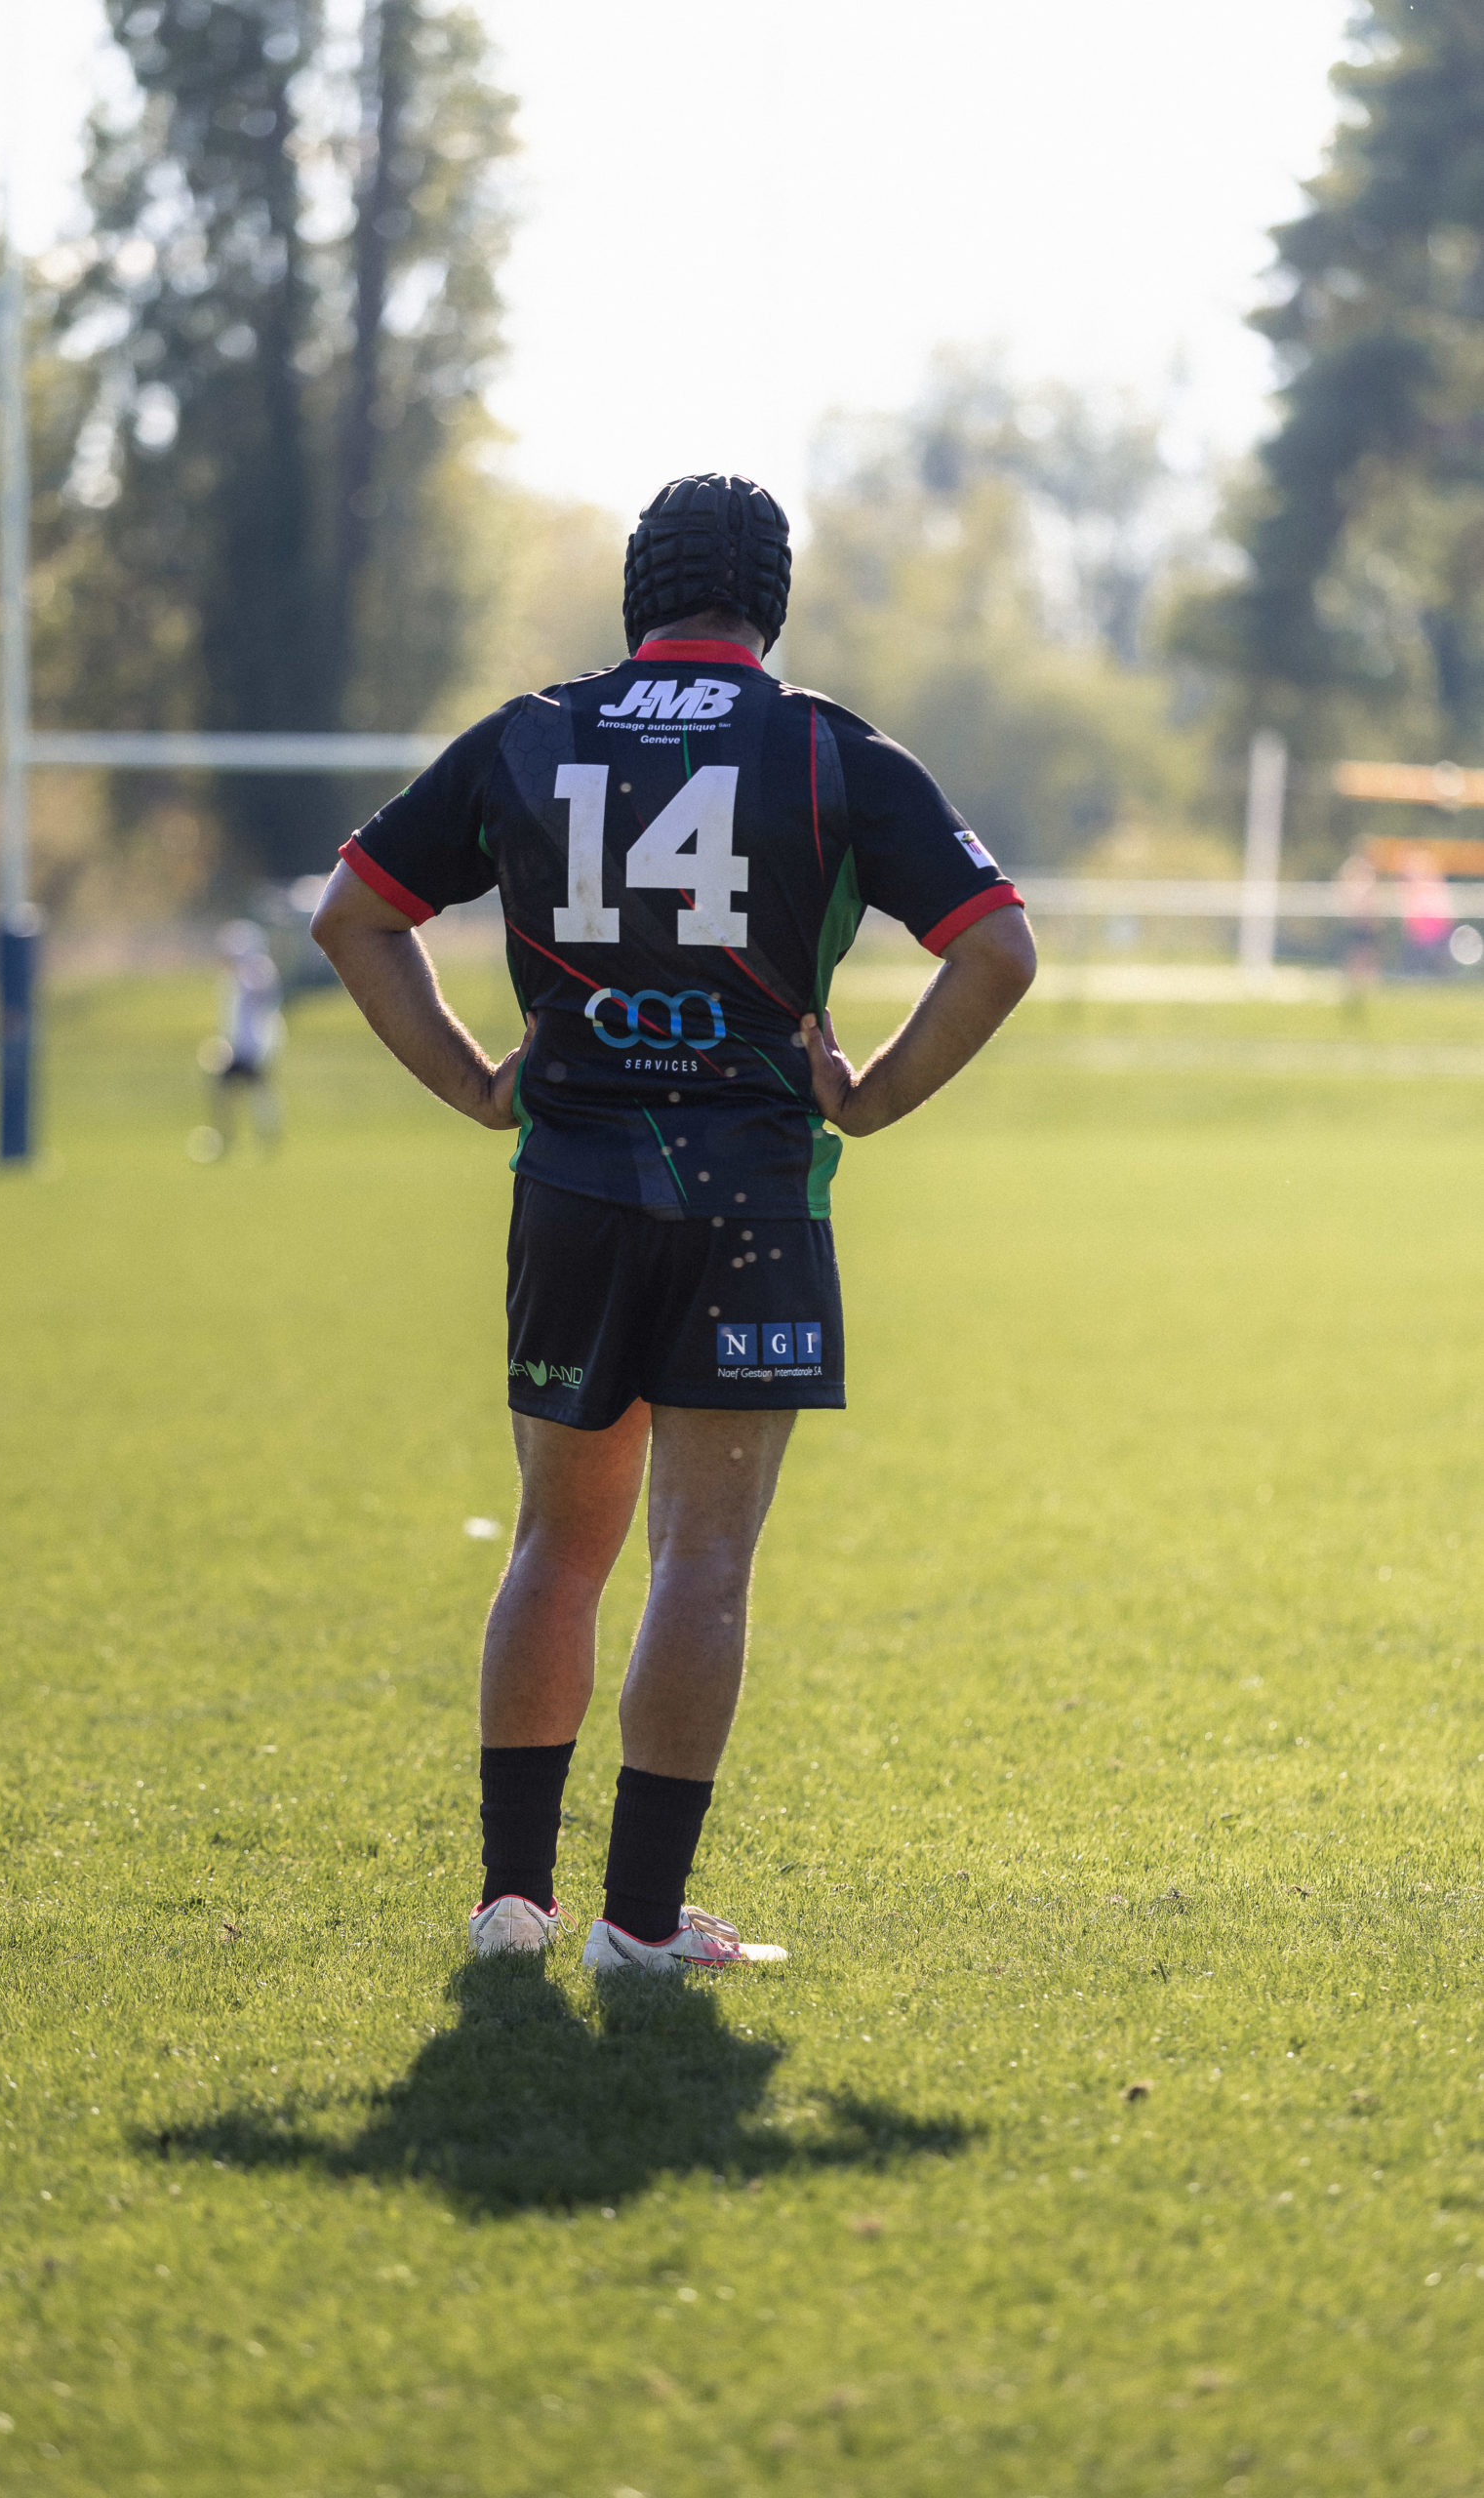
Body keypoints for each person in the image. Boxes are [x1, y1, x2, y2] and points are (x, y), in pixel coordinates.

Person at [311, 472, 1035, 1973]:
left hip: (568, 1190)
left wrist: (476, 1083)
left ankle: (511, 1905)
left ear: (635, 592)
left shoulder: (529, 733)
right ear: (769, 602)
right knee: (699, 1559)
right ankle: (638, 1926)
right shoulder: (825, 749)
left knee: (552, 1543)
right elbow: (995, 950)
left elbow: (353, 916)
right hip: (749, 1202)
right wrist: (870, 1100)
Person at [192, 921, 285, 1159]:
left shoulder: (257, 969)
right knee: (240, 1092)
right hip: (239, 1046)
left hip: (254, 1046)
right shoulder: (236, 975)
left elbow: (261, 994)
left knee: (252, 1093)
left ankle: (246, 1141)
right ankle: (243, 1140)